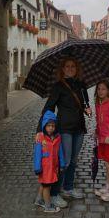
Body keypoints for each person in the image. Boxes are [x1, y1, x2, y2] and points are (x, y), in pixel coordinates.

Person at [35, 57, 92, 209]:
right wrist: (39, 130)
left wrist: (87, 109)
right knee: (64, 162)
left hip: (79, 127)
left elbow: (85, 103)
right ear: (63, 69)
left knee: (73, 160)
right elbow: (48, 108)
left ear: (77, 68)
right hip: (64, 128)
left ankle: (68, 188)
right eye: (67, 66)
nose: (70, 68)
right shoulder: (58, 86)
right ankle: (54, 194)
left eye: (73, 66)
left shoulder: (81, 85)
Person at [34, 110, 65, 213]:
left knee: (45, 184)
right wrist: (37, 167)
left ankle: (39, 200)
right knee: (47, 185)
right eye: (48, 125)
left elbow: (60, 151)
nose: (51, 128)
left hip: (54, 166)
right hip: (45, 167)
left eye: (53, 125)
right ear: (44, 126)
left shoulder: (57, 137)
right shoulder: (40, 138)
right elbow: (37, 154)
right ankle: (48, 206)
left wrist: (63, 163)